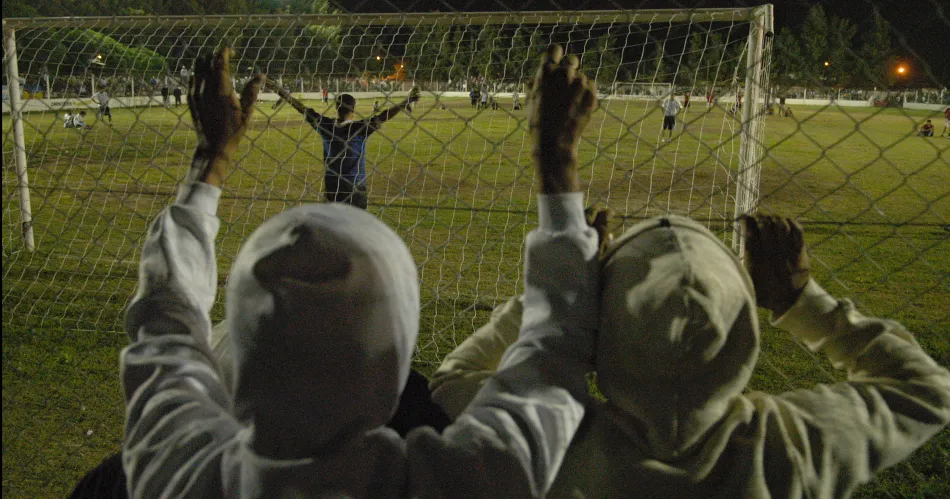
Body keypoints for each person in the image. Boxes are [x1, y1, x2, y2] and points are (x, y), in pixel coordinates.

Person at [117, 45, 601, 498]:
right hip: (352, 194)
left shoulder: (174, 465)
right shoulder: (463, 479)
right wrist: (555, 158)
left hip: (337, 192)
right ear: (394, 371)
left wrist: (211, 155)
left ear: (241, 357)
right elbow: (551, 359)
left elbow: (165, 321)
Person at [432, 210, 950, 497]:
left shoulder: (552, 444)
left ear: (603, 332)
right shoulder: (788, 449)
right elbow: (926, 390)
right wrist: (803, 302)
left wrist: (560, 298)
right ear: (743, 327)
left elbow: (453, 380)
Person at [274, 83, 420, 209]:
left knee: (333, 225)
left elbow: (302, 108)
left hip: (332, 186)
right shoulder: (360, 128)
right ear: (353, 109)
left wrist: (283, 94)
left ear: (336, 107)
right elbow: (384, 115)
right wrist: (405, 102)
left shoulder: (326, 126)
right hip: (355, 186)